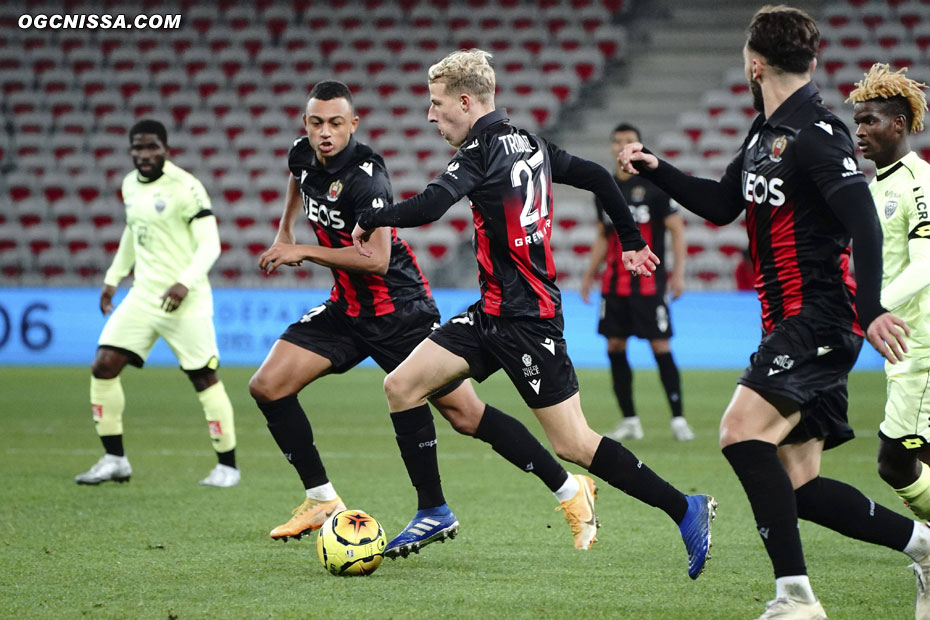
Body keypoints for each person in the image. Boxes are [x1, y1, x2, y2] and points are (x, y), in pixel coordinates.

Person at [352, 50, 716, 578]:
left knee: (573, 443)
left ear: (464, 101)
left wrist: (374, 215)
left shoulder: (480, 151)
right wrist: (632, 241)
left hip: (529, 320)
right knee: (401, 386)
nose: (430, 117)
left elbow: (431, 207)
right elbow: (597, 175)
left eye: (435, 105)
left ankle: (686, 509)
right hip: (492, 313)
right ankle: (433, 509)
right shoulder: (531, 143)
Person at [620, 7, 930, 619]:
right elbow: (719, 204)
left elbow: (863, 222)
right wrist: (662, 170)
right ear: (809, 61)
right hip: (788, 320)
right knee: (800, 487)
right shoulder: (765, 134)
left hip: (815, 317)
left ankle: (796, 597)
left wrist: (868, 310)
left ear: (754, 63)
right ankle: (922, 545)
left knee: (738, 433)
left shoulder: (817, 132)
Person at [248, 80, 600, 550]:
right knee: (268, 386)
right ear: (305, 125)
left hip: (398, 310)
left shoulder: (366, 174)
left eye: (335, 123)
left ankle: (568, 488)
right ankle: (323, 500)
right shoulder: (301, 154)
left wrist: (301, 250)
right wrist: (284, 227)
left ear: (353, 124)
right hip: (347, 309)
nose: (325, 133)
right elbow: (299, 178)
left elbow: (374, 260)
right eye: (316, 123)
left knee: (467, 416)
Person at [75, 119, 239, 488]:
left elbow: (210, 245)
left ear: (165, 149)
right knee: (103, 366)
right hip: (144, 296)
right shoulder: (129, 185)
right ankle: (115, 459)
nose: (144, 155)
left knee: (204, 378)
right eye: (137, 148)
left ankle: (227, 465)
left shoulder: (186, 188)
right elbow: (134, 232)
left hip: (187, 300)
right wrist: (112, 278)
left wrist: (184, 282)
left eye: (151, 147)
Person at [849, 67, 930, 521]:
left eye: (871, 121)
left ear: (898, 124)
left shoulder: (919, 182)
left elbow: (926, 262)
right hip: (900, 345)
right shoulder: (874, 186)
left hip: (920, 343)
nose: (860, 132)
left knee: (895, 461)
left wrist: (871, 309)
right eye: (858, 122)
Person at [580, 122, 693, 442]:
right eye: (616, 141)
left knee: (661, 345)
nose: (621, 146)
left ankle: (678, 419)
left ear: (640, 146)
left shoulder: (655, 187)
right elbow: (603, 236)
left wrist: (678, 273)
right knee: (615, 345)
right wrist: (590, 275)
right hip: (614, 284)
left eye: (628, 141)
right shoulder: (605, 188)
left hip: (648, 283)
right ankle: (630, 419)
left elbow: (676, 229)